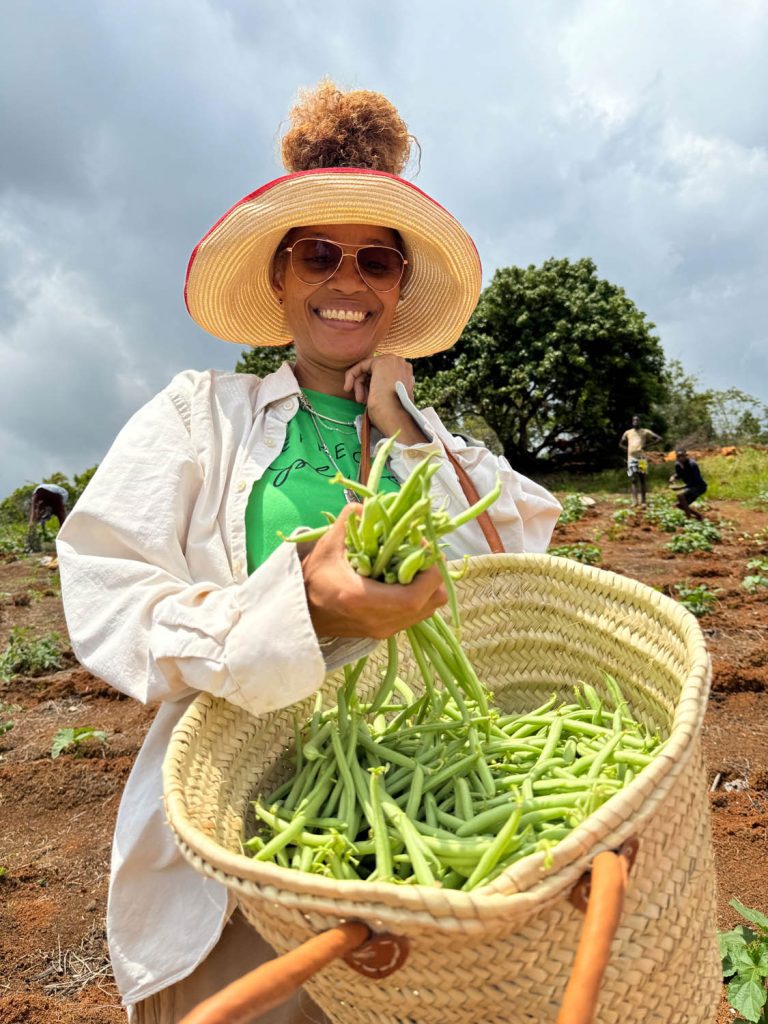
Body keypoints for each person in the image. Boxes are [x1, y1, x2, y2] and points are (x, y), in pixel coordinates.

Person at [57, 82, 562, 1024]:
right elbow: (108, 590)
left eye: (378, 261)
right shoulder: (199, 416)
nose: (348, 279)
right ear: (281, 278)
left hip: (440, 817)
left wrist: (405, 423)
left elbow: (521, 545)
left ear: (400, 290)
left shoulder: (431, 440)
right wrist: (297, 612)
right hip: (245, 824)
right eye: (318, 253)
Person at [619, 415, 661, 506]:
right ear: (632, 422)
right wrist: (627, 449)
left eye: (637, 420)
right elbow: (620, 444)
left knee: (642, 479)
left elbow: (659, 439)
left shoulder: (645, 432)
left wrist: (647, 446)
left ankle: (643, 501)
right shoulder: (628, 432)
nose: (635, 422)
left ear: (640, 422)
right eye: (634, 420)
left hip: (642, 458)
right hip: (631, 458)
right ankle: (634, 501)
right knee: (633, 479)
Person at [26, 482, 68, 551]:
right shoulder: (57, 505)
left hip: (40, 492)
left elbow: (43, 517)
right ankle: (65, 542)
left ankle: (30, 542)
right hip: (55, 495)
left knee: (34, 518)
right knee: (62, 522)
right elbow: (60, 514)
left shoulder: (60, 499)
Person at [670, 448, 707, 520]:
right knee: (680, 505)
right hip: (690, 487)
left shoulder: (692, 465)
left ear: (686, 456)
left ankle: (688, 517)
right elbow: (679, 474)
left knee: (680, 495)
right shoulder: (677, 465)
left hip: (699, 487)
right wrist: (673, 477)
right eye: (678, 456)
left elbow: (696, 480)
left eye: (682, 456)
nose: (680, 458)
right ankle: (699, 516)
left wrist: (680, 488)